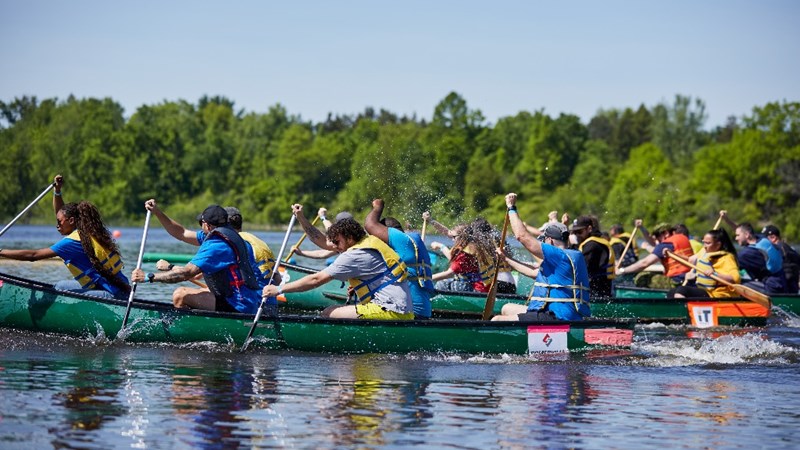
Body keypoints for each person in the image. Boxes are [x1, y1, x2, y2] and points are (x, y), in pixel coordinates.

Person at [262, 205, 414, 320]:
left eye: (336, 242)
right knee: (340, 309)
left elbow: (316, 279)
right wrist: (301, 217)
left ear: (349, 238)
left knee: (328, 313)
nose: (334, 246)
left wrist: (279, 289)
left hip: (390, 311)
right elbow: (322, 241)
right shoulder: (367, 240)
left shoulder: (353, 255)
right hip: (402, 311)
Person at [0, 175, 130, 299]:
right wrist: (57, 191)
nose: (57, 225)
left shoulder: (71, 242)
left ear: (72, 220)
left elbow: (33, 255)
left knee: (59, 291)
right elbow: (61, 213)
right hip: (121, 288)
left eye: (59, 222)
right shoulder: (90, 230)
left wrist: (1, 252)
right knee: (60, 286)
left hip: (113, 295)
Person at [131, 201, 263, 314]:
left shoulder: (218, 246)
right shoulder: (230, 236)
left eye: (201, 222)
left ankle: (185, 330)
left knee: (180, 294)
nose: (200, 226)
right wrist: (158, 212)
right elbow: (182, 233)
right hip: (245, 300)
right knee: (199, 291)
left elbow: (186, 273)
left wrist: (148, 277)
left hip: (239, 306)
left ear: (208, 225)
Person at [492, 193, 590, 321]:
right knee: (507, 308)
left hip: (557, 317)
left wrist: (511, 207)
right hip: (555, 313)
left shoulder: (558, 254)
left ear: (550, 241)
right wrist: (507, 259)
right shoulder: (568, 256)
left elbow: (522, 236)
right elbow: (533, 271)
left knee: (496, 320)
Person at [365, 198, 434, 319]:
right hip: (420, 312)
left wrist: (378, 207)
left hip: (410, 313)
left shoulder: (403, 240)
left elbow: (370, 225)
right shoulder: (409, 245)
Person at [720, 211, 786, 294]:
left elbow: (730, 266)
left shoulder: (747, 254)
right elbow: (741, 230)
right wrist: (727, 220)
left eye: (737, 235)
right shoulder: (761, 239)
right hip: (781, 281)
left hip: (772, 287)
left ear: (747, 235)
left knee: (736, 282)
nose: (736, 238)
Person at [615, 220, 694, 286]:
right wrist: (642, 228)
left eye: (657, 236)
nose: (656, 239)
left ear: (666, 233)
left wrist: (622, 270)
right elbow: (653, 243)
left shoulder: (666, 244)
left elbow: (644, 263)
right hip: (689, 278)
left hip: (677, 281)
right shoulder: (683, 238)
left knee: (641, 276)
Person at [668, 228, 740, 298]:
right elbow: (690, 260)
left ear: (718, 245)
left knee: (682, 290)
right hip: (705, 291)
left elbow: (734, 278)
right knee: (672, 292)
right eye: (704, 242)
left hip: (718, 294)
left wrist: (715, 274)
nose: (704, 246)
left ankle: (682, 305)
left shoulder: (727, 258)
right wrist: (671, 254)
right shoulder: (704, 252)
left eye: (708, 243)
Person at [431, 220, 496, 293]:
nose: (452, 239)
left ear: (462, 237)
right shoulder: (475, 245)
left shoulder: (464, 254)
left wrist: (426, 278)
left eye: (454, 237)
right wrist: (431, 221)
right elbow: (448, 233)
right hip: (486, 288)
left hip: (477, 290)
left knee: (441, 284)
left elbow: (448, 274)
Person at [224, 206, 281, 285]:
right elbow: (278, 280)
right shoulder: (258, 241)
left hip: (251, 291)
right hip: (269, 290)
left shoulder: (232, 243)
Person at [570, 215, 614, 298]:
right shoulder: (590, 243)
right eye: (574, 232)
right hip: (598, 290)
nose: (577, 235)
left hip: (597, 292)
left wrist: (574, 245)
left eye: (579, 232)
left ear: (589, 229)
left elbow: (581, 268)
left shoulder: (592, 245)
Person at [762, 225, 800, 294]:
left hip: (782, 287)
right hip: (793, 287)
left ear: (773, 238)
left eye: (764, 239)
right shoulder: (789, 249)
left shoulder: (776, 249)